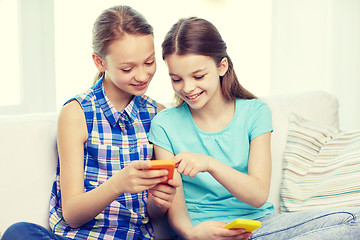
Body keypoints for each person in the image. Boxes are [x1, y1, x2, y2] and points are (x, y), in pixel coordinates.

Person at [148, 17, 360, 240]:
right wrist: (191, 233)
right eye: (176, 79)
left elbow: (258, 194)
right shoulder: (164, 124)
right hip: (203, 233)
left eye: (198, 76)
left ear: (222, 66)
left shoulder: (255, 112)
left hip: (261, 227)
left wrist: (210, 164)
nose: (188, 88)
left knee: (354, 221)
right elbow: (174, 201)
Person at [2, 5, 178, 240]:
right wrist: (118, 184)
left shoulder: (157, 114)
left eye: (149, 62)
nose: (142, 75)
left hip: (131, 237)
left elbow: (151, 215)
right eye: (127, 68)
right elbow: (72, 214)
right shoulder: (77, 114)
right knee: (19, 232)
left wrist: (158, 202)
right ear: (99, 62)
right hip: (76, 236)